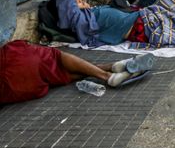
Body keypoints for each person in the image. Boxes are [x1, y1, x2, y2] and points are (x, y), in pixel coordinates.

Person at [0, 40, 152, 103]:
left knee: (57, 74)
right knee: (54, 57)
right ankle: (106, 75)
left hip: (16, 89)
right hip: (15, 64)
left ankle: (113, 67)